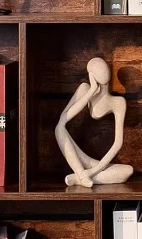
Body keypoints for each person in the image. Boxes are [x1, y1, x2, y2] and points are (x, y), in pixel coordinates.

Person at [55, 57, 134, 187]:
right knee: (59, 129)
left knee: (128, 171)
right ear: (91, 76)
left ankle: (80, 177)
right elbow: (63, 119)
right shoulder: (84, 89)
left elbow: (118, 143)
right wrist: (91, 91)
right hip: (79, 158)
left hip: (97, 165)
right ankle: (81, 174)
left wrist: (92, 171)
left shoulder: (118, 102)